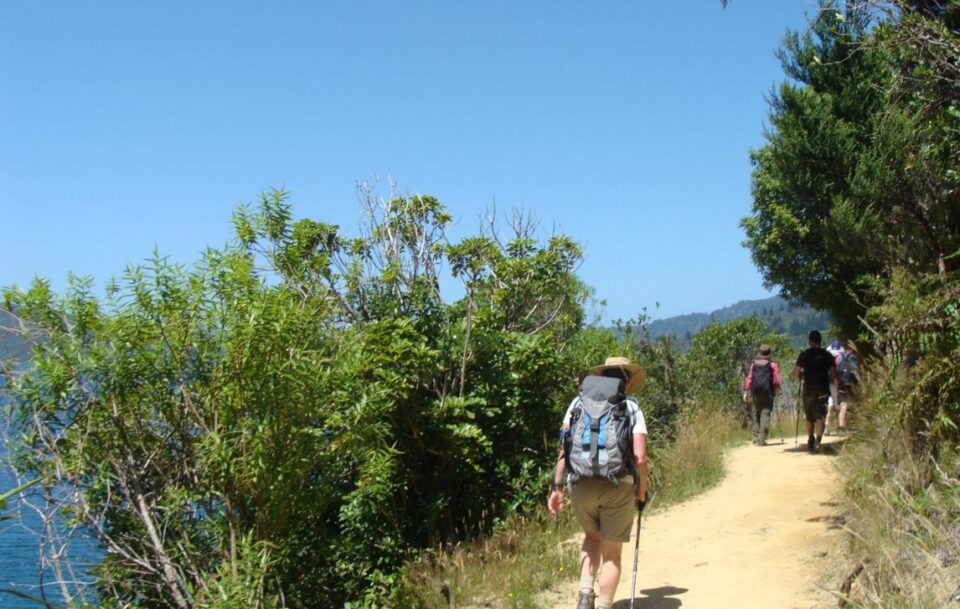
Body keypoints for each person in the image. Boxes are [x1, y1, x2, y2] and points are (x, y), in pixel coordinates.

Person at [547, 356, 649, 609]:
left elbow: (564, 449)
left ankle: (585, 594)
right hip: (618, 485)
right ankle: (603, 605)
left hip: (580, 482)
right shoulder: (630, 407)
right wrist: (641, 491)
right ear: (626, 381)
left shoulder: (577, 403)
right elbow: (640, 457)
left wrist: (557, 488)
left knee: (591, 538)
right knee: (612, 553)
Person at [794, 330, 836, 453]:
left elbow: (796, 373)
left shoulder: (803, 355)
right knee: (820, 416)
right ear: (820, 341)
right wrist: (828, 380)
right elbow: (833, 374)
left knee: (809, 415)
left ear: (809, 341)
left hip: (808, 389)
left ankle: (810, 438)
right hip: (823, 388)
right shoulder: (827, 355)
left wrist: (801, 375)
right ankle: (818, 440)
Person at [742, 344, 781, 446]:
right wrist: (777, 390)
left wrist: (745, 392)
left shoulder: (754, 365)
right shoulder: (773, 365)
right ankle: (762, 438)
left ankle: (756, 437)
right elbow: (776, 381)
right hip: (767, 392)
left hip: (755, 392)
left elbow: (750, 379)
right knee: (765, 413)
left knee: (756, 413)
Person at [835, 342, 860, 434]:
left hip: (840, 382)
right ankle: (850, 425)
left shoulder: (839, 357)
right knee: (852, 404)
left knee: (843, 405)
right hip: (850, 382)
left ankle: (841, 426)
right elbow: (856, 369)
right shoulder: (852, 356)